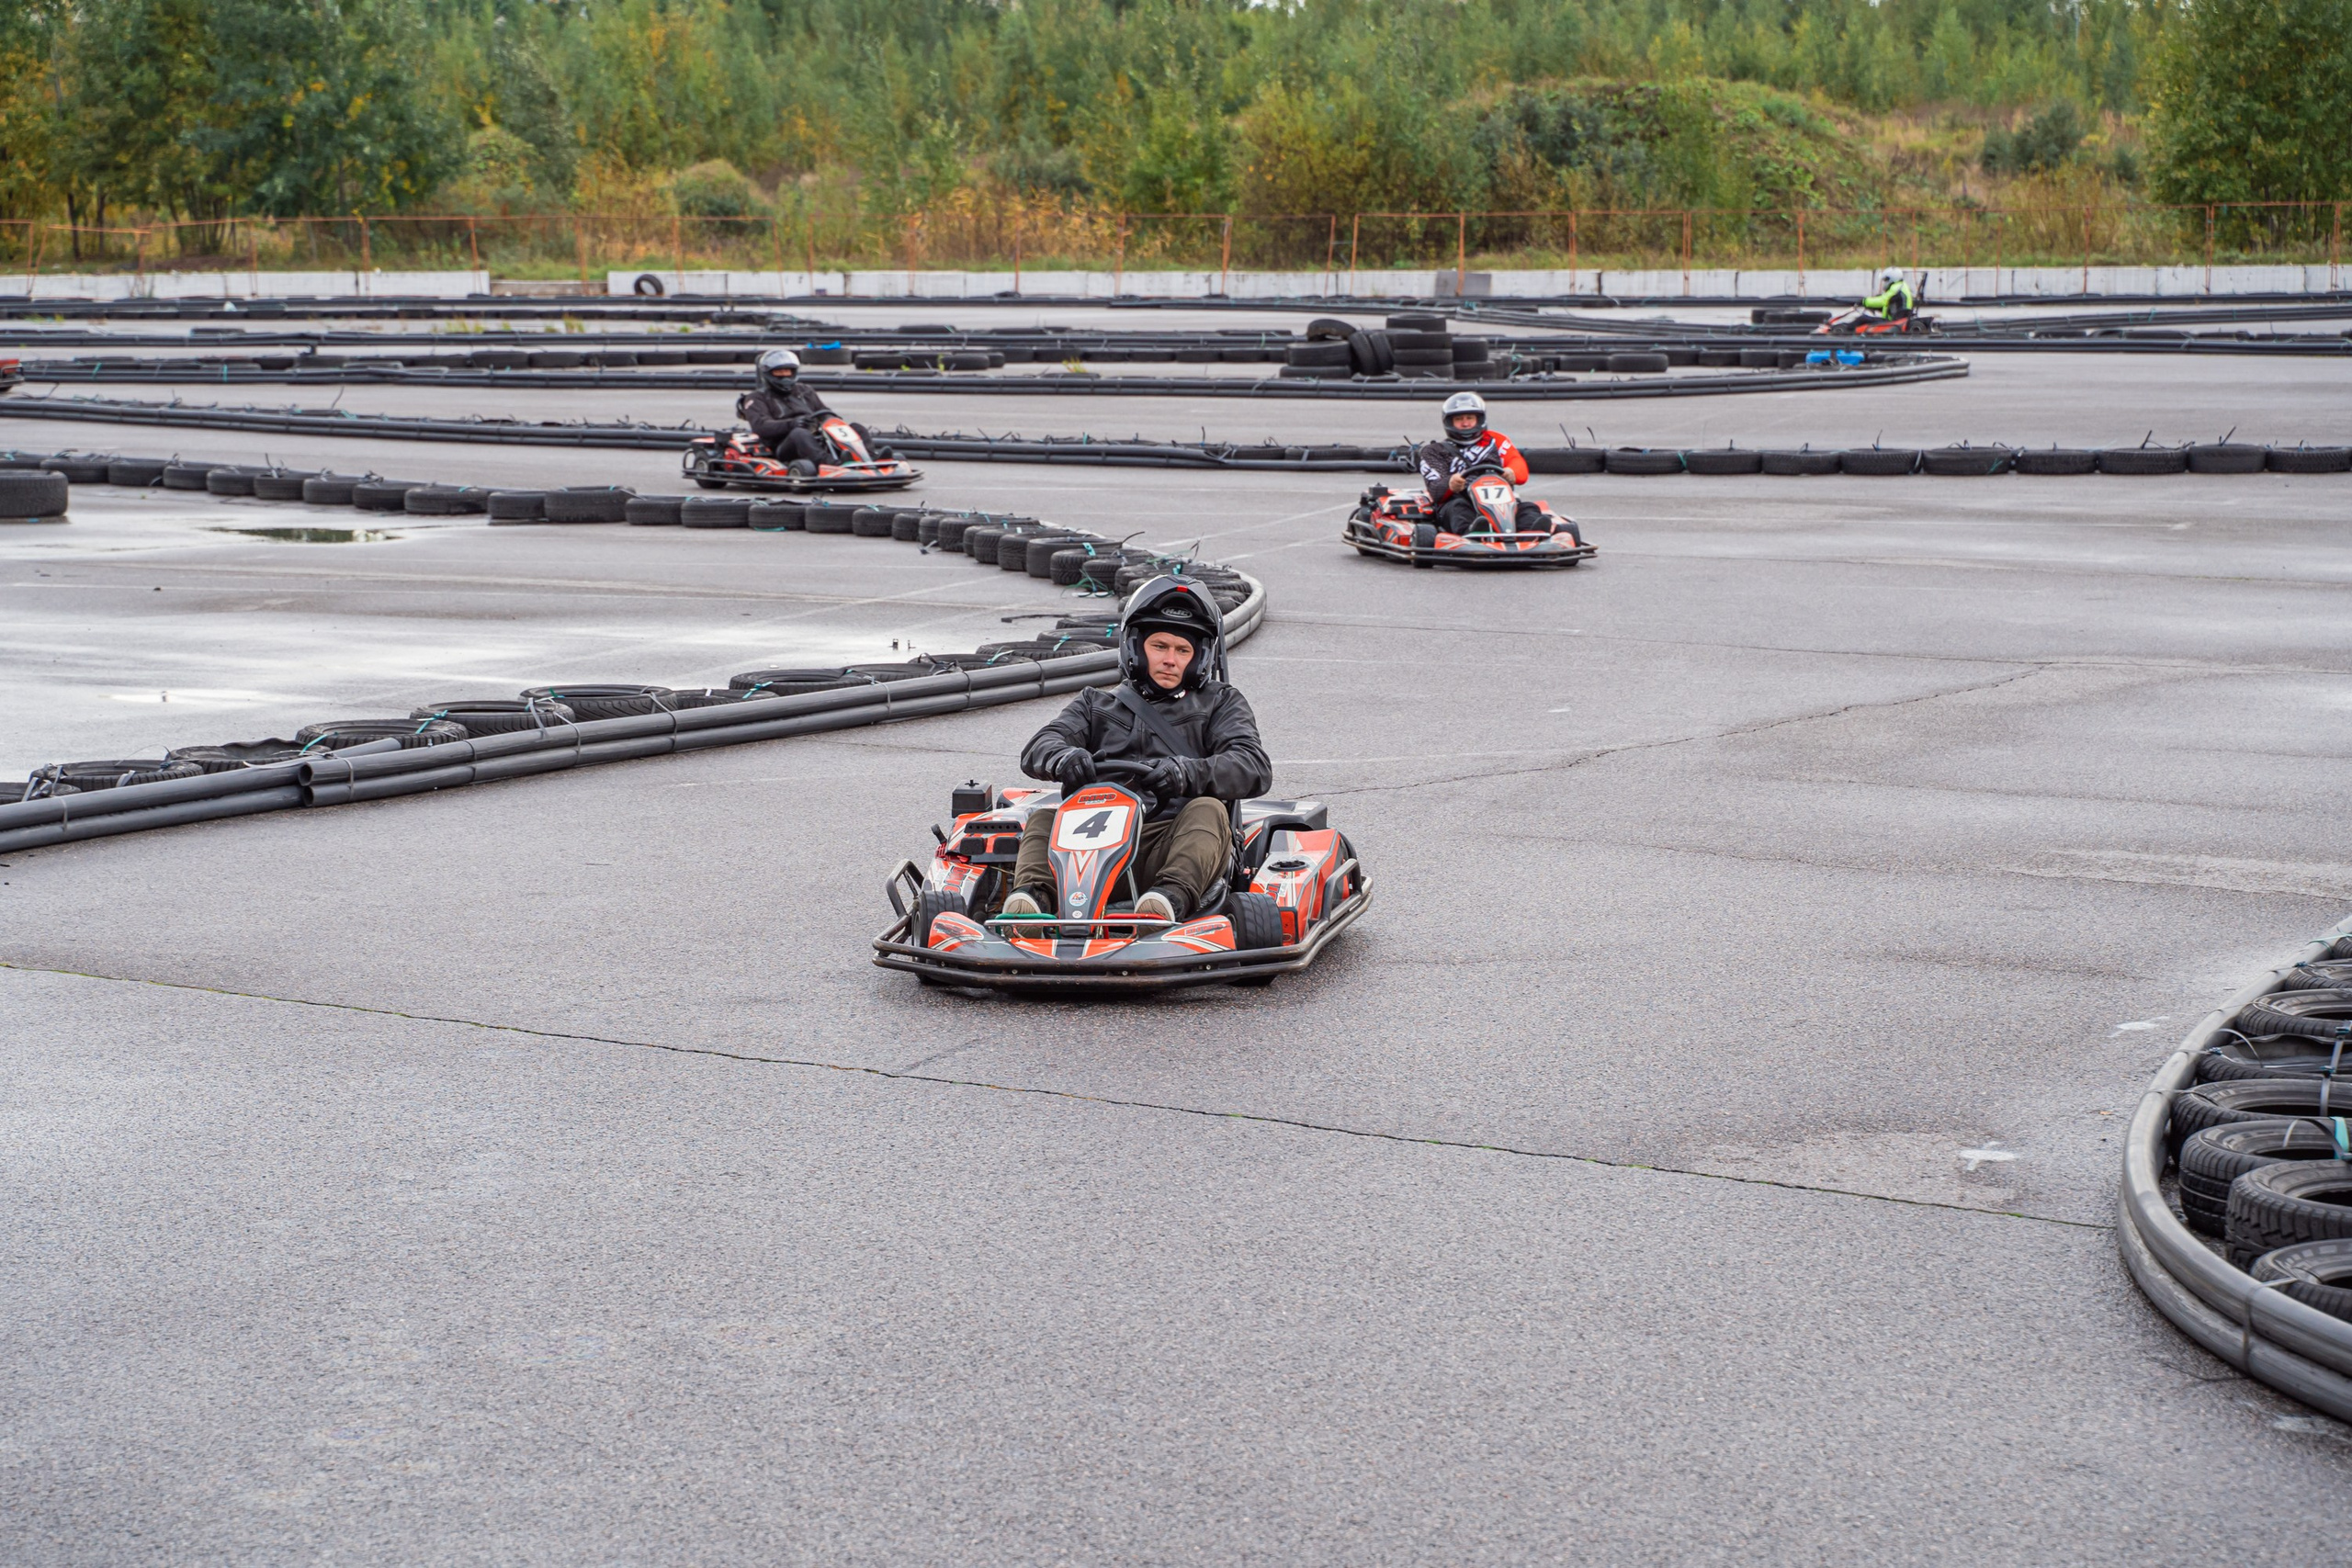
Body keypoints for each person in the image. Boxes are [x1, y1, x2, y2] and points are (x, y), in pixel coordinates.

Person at [1004, 576, 1271, 924]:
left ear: (1199, 658)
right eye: (1160, 646)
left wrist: (1184, 773)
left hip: (1171, 843)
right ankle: (1034, 902)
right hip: (1091, 846)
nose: (1171, 660)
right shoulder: (1095, 703)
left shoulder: (1219, 702)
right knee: (1044, 818)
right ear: (1135, 648)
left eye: (1183, 651)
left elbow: (1252, 766)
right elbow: (1039, 747)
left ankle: (1167, 902)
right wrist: (1066, 759)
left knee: (1208, 809)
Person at [735, 348, 888, 468]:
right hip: (783, 445)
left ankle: (870, 459)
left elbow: (823, 411)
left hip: (817, 437)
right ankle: (831, 463)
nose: (785, 375)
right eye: (779, 372)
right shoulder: (756, 398)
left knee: (857, 427)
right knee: (799, 433)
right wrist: (792, 424)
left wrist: (829, 420)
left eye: (788, 371)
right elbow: (761, 426)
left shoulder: (804, 390)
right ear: (769, 374)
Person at [1416, 391, 1544, 535]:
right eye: (1459, 419)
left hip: (1501, 503)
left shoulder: (1495, 441)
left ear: (1479, 419)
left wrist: (1512, 472)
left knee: (1529, 509)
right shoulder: (1434, 451)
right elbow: (1434, 489)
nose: (1465, 423)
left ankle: (1531, 534)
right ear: (1449, 422)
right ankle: (1473, 532)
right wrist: (1450, 484)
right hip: (1460, 502)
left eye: (1470, 418)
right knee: (1458, 509)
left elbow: (1518, 464)